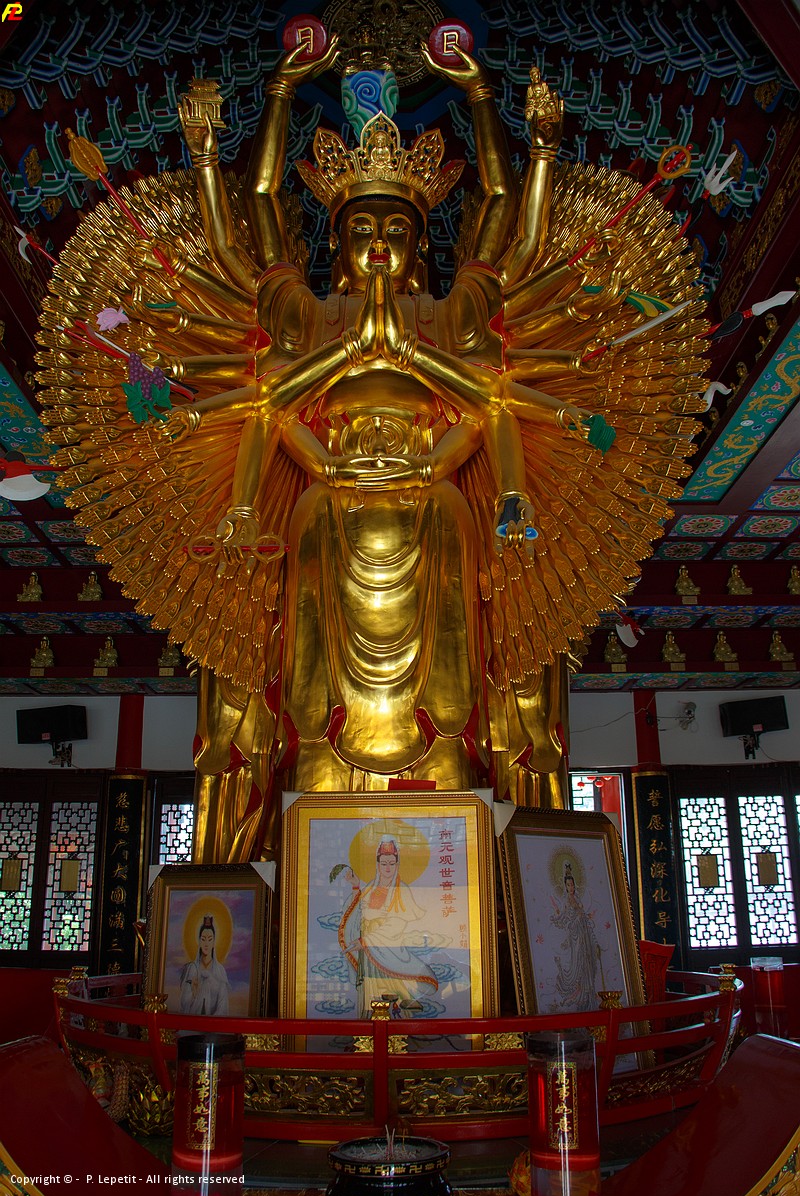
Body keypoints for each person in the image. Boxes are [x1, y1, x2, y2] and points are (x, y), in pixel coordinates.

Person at [37, 31, 705, 859]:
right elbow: (259, 235)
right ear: (335, 241)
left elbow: (506, 238)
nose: (381, 241)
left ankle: (455, 785)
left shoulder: (448, 316)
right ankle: (314, 783)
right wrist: (268, 102)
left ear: (421, 242)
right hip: (327, 509)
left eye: (398, 226)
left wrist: (505, 119)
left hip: (436, 508)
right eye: (361, 227)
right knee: (311, 682)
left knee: (454, 689)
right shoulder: (308, 316)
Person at [338, 839, 437, 1018]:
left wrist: (366, 941)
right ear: (378, 864)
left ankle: (400, 1028)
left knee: (394, 990)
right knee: (370, 992)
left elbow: (396, 925)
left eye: (392, 863)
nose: (388, 868)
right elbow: (357, 912)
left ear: (397, 864)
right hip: (368, 953)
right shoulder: (371, 887)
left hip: (388, 950)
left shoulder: (401, 891)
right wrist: (355, 886)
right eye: (384, 863)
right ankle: (368, 1027)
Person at [549, 863, 601, 1012]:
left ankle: (589, 994)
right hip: (575, 935)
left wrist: (586, 916)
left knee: (588, 962)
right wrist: (559, 917)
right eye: (568, 885)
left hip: (584, 934)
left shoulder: (577, 898)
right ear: (565, 887)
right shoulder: (567, 901)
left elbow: (581, 914)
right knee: (579, 963)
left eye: (572, 884)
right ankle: (580, 995)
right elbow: (566, 918)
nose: (571, 887)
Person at [179, 914, 230, 1016]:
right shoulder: (192, 968)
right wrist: (193, 993)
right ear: (199, 941)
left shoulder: (220, 971)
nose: (206, 944)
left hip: (214, 1024)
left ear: (214, 942)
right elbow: (183, 1003)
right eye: (203, 939)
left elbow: (222, 1007)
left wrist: (212, 1022)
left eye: (210, 939)